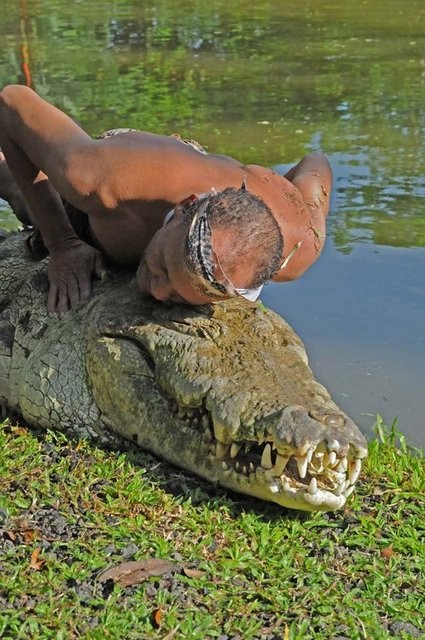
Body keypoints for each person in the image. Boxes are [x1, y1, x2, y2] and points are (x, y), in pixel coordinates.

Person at [0, 84, 332, 315]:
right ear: (184, 206)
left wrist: (278, 192)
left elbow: (316, 163)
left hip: (193, 163)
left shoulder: (297, 250)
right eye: (162, 266)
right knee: (30, 199)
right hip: (125, 165)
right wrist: (62, 243)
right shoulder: (98, 182)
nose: (157, 292)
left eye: (177, 295)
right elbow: (11, 102)